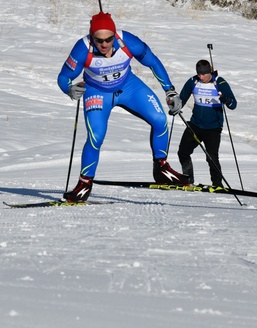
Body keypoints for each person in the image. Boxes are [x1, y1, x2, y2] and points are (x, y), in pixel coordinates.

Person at [56, 10, 189, 202]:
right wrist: (69, 88)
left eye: (108, 39)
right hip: (97, 92)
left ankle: (161, 169)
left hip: (128, 87)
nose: (104, 44)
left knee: (160, 119)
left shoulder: (128, 42)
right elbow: (63, 77)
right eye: (98, 40)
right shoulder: (82, 48)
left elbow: (153, 62)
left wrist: (170, 91)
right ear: (91, 36)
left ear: (114, 35)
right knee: (96, 137)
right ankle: (84, 184)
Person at [173, 59, 237, 187]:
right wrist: (175, 107)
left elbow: (233, 104)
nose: (201, 77)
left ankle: (217, 185)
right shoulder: (193, 81)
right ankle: (188, 180)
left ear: (209, 72)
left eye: (203, 74)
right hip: (196, 125)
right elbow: (182, 98)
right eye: (199, 74)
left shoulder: (220, 82)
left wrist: (226, 99)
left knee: (212, 158)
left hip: (213, 127)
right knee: (183, 152)